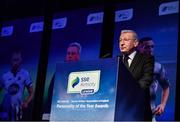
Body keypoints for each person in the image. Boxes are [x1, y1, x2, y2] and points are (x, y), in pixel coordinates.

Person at [119, 30, 154, 120]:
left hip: (139, 111)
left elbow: (146, 80)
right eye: (120, 40)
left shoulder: (146, 59)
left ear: (135, 43)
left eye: (126, 40)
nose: (122, 43)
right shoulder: (115, 60)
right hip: (118, 111)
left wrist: (127, 94)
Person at [44, 42, 82, 118]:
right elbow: (51, 94)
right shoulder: (58, 72)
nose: (70, 56)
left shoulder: (82, 72)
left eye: (73, 54)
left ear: (78, 56)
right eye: (68, 53)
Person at [138, 37, 170, 121]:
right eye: (147, 47)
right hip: (128, 112)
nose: (150, 49)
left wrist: (162, 105)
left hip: (149, 114)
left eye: (152, 47)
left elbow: (166, 87)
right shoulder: (129, 65)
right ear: (139, 47)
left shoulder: (157, 67)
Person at [0, 50, 33, 121]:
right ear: (10, 61)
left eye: (18, 60)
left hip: (18, 109)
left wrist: (26, 102)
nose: (16, 62)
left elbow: (31, 92)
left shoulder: (25, 74)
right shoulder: (4, 75)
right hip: (4, 110)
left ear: (21, 60)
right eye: (14, 60)